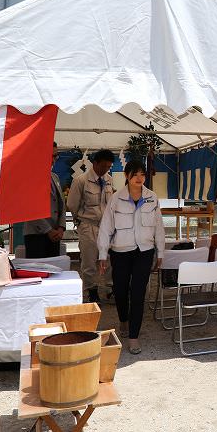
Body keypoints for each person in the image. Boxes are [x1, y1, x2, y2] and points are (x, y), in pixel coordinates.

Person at [97, 160, 164, 355]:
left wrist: (160, 252)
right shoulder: (116, 199)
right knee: (120, 289)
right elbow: (106, 228)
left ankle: (134, 336)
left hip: (144, 251)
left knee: (138, 293)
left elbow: (159, 227)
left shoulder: (152, 198)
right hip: (120, 252)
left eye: (142, 175)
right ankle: (123, 320)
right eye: (135, 174)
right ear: (126, 175)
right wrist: (103, 254)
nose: (139, 178)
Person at [67, 149, 115, 303]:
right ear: (95, 163)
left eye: (108, 167)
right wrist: (81, 221)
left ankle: (110, 288)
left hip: (106, 226)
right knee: (88, 260)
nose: (105, 170)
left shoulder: (109, 180)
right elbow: (72, 205)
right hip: (88, 225)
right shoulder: (81, 181)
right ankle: (91, 290)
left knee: (109, 259)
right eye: (103, 166)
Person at [23, 142, 66, 258]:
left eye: (55, 156)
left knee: (54, 271)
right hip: (36, 233)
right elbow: (29, 207)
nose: (54, 159)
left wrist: (61, 228)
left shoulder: (55, 177)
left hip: (55, 234)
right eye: (51, 156)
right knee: (38, 272)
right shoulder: (30, 177)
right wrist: (48, 230)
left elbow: (62, 205)